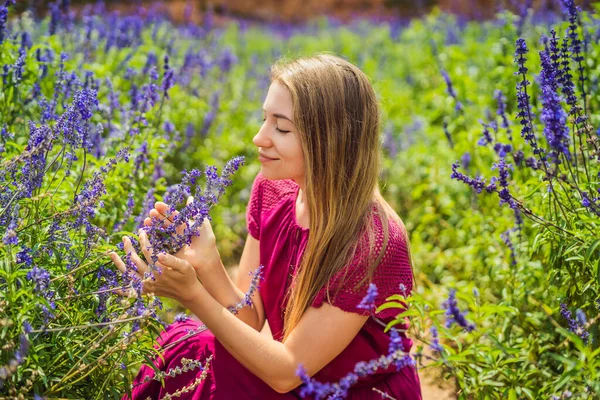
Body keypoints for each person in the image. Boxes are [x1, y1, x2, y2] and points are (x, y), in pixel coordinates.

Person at [110, 53, 422, 399]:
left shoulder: (374, 242)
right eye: (264, 119)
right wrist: (208, 263)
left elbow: (288, 372)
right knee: (191, 347)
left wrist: (192, 295)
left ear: (330, 140)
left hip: (351, 391)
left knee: (198, 349)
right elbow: (249, 319)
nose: (260, 137)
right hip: (292, 379)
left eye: (282, 127)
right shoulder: (272, 191)